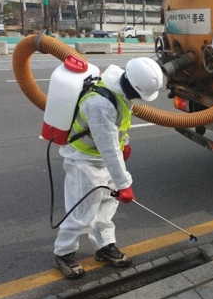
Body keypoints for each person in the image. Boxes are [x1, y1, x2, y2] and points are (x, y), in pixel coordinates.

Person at [53, 57, 164, 279]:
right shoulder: (99, 104)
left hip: (103, 161)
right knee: (81, 211)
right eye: (139, 94)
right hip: (84, 161)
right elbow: (108, 147)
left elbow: (120, 127)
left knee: (106, 205)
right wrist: (125, 184)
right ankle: (63, 253)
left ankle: (104, 246)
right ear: (133, 86)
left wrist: (127, 143)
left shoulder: (119, 89)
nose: (139, 99)